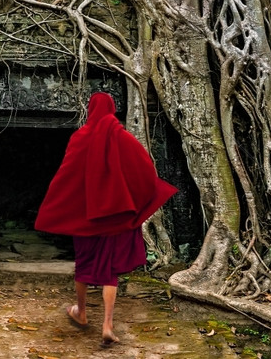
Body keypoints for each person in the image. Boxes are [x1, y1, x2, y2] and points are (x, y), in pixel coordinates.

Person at [35, 92, 177, 347]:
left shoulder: (79, 137)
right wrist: (137, 197)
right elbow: (145, 168)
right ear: (112, 109)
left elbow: (68, 176)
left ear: (90, 110)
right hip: (117, 217)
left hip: (87, 219)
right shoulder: (122, 137)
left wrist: (65, 206)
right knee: (109, 272)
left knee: (85, 265)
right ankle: (108, 325)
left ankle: (81, 312)